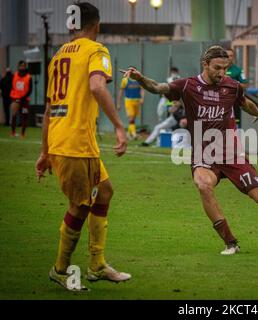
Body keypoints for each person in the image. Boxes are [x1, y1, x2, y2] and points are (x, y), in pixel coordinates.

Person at [123, 45, 258, 255]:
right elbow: (158, 88)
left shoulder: (232, 86)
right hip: (204, 154)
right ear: (205, 64)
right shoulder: (188, 86)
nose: (222, 73)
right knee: (203, 185)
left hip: (231, 153)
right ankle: (231, 242)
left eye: (225, 68)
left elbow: (245, 103)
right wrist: (140, 79)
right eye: (217, 68)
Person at [34, 2, 130, 291]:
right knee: (80, 206)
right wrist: (118, 125)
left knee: (105, 192)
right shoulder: (96, 50)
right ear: (97, 25)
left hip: (65, 141)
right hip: (76, 144)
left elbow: (49, 109)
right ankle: (60, 269)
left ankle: (97, 265)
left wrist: (44, 151)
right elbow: (97, 86)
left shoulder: (58, 56)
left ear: (71, 25)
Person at [117, 66, 144, 140]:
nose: (130, 71)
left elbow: (142, 89)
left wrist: (142, 98)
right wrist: (118, 103)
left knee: (133, 119)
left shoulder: (138, 80)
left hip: (137, 100)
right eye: (129, 70)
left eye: (132, 70)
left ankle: (128, 134)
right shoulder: (125, 80)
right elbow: (121, 91)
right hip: (128, 100)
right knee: (131, 118)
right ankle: (134, 134)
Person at [226, 48, 248, 127]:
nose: (229, 57)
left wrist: (233, 82)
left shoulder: (238, 70)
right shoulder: (218, 69)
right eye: (227, 56)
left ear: (234, 57)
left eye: (231, 56)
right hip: (221, 102)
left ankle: (236, 138)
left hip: (234, 102)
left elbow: (245, 85)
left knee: (235, 124)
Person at [9, 61, 32, 138]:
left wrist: (23, 97)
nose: (22, 67)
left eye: (23, 66)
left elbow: (30, 90)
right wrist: (14, 97)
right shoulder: (14, 75)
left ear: (25, 67)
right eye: (21, 66)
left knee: (24, 116)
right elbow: (11, 86)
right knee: (14, 114)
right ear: (18, 66)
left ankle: (22, 134)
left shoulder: (29, 77)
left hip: (25, 100)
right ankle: (13, 132)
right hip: (15, 99)